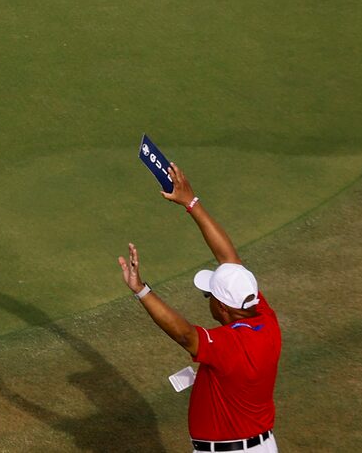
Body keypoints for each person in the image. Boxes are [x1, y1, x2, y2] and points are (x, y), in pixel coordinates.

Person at [117, 159, 282, 452]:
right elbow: (230, 259)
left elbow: (185, 334)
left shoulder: (230, 345)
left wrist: (141, 290)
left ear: (223, 308)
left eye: (210, 296)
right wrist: (189, 201)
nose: (208, 301)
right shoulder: (265, 320)